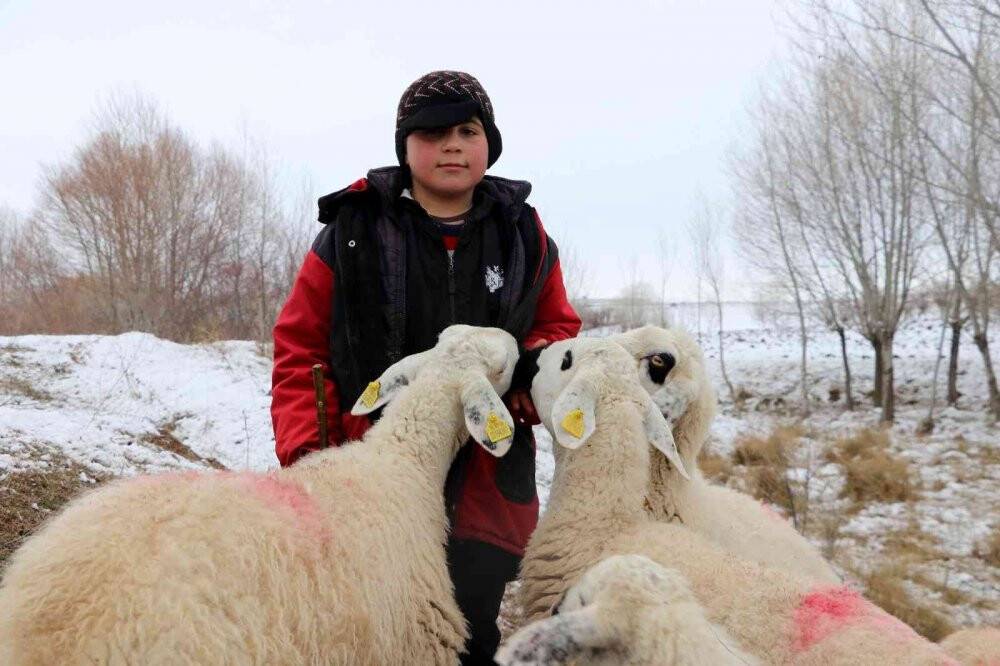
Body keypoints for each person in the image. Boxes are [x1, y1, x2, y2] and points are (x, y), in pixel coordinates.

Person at [270, 70, 581, 664]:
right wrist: (315, 455)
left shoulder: (523, 232)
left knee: (468, 630)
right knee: (366, 629)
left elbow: (557, 330)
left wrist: (517, 392)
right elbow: (300, 346)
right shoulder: (353, 231)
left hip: (488, 484)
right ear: (405, 146)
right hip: (371, 482)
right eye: (431, 133)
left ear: (489, 142)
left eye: (467, 130)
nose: (451, 145)